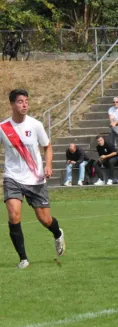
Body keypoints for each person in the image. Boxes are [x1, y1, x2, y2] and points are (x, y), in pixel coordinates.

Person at [0, 88, 66, 269]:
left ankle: (57, 233)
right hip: (13, 177)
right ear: (12, 104)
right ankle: (23, 259)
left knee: (45, 220)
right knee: (14, 215)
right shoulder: (3, 128)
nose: (24, 105)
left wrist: (49, 165)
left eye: (26, 101)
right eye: (21, 101)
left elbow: (48, 146)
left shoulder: (35, 125)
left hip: (35, 179)